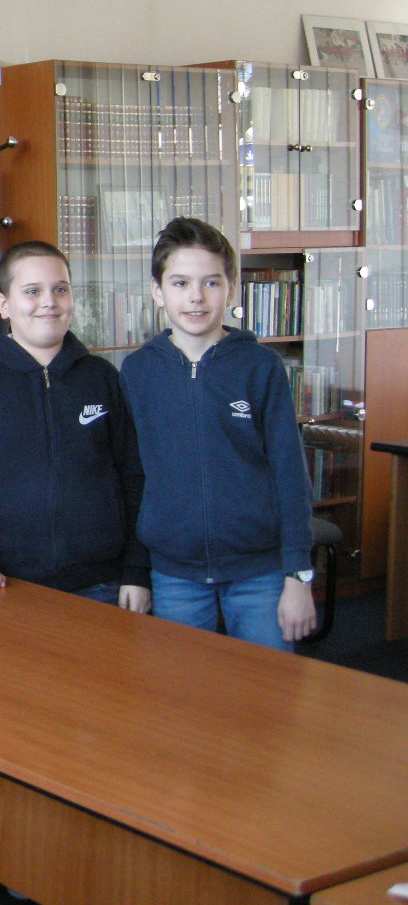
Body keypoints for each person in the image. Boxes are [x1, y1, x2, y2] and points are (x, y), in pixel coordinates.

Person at [120, 217, 315, 648]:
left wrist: (298, 574)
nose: (196, 296)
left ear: (231, 289)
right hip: (174, 572)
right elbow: (132, 478)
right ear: (157, 291)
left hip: (260, 570)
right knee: (184, 686)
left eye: (211, 283)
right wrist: (136, 571)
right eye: (180, 283)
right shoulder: (137, 372)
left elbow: (289, 473)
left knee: (268, 684)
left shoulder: (260, 367)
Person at [0, 240, 149, 608]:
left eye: (60, 289)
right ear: (3, 304)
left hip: (103, 583)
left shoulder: (102, 377)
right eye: (32, 291)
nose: (49, 301)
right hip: (0, 581)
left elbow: (134, 477)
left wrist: (137, 571)